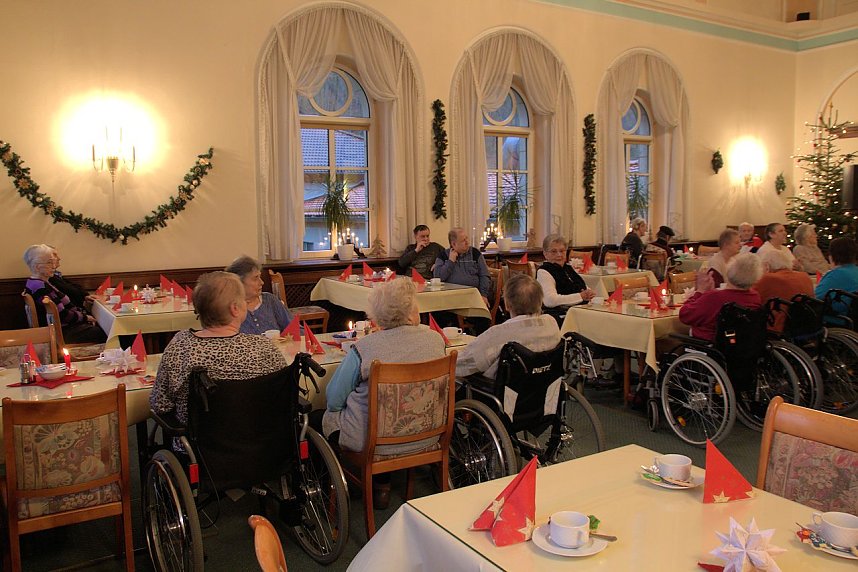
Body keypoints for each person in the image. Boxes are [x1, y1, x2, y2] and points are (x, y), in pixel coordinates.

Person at [321, 278, 445, 509]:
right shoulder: (435, 341)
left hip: (374, 442)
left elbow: (334, 398)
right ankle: (383, 486)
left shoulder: (366, 347)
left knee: (328, 415)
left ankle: (343, 490)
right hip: (427, 436)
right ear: (408, 314)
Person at [150, 271, 288, 429]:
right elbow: (283, 397)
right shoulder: (264, 347)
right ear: (235, 309)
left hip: (202, 447)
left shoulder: (180, 346)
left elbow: (160, 404)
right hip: (261, 442)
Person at [456, 274, 560, 379]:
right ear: (540, 302)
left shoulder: (498, 334)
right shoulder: (551, 323)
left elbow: (462, 364)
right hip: (546, 389)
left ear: (507, 304)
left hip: (500, 392)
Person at [23, 244, 106, 343]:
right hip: (60, 332)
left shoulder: (38, 282)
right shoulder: (40, 287)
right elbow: (62, 315)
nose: (54, 266)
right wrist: (85, 317)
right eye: (49, 263)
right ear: (37, 267)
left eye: (53, 262)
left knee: (103, 325)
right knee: (106, 330)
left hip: (61, 328)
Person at [679, 252, 763, 341]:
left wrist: (700, 291)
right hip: (740, 344)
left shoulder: (715, 297)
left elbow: (685, 315)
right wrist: (710, 292)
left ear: (729, 271)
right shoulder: (755, 297)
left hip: (709, 345)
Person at [536, 233, 596, 325]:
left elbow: (582, 287)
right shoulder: (544, 272)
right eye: (554, 251)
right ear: (545, 254)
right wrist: (580, 296)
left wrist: (589, 292)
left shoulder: (568, 268)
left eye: (562, 251)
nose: (559, 254)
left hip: (580, 312)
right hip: (561, 317)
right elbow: (550, 301)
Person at [225, 255, 293, 335]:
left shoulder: (270, 300)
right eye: (255, 278)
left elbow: (295, 328)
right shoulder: (230, 308)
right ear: (239, 282)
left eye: (260, 277)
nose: (261, 282)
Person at [754, 249, 814, 333]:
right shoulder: (805, 276)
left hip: (778, 326)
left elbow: (752, 297)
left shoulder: (769, 278)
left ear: (767, 266)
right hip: (806, 324)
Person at [434, 227, 492, 307]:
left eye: (467, 238)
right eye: (463, 240)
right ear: (453, 244)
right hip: (450, 298)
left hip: (473, 297)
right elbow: (437, 277)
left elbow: (484, 275)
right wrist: (450, 262)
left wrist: (483, 295)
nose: (467, 242)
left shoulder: (475, 253)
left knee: (482, 317)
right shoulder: (443, 255)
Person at [815, 236, 858, 325]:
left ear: (832, 256)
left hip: (838, 319)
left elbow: (815, 299)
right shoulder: (855, 271)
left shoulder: (835, 275)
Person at [45, 245, 92, 309]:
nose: (59, 258)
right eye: (55, 255)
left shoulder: (56, 274)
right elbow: (72, 292)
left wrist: (85, 295)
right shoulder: (50, 278)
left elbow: (74, 286)